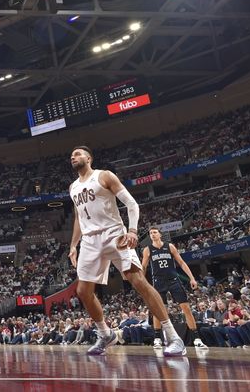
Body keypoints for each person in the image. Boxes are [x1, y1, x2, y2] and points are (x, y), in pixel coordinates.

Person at [67, 146, 186, 356]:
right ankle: (106, 334)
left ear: (88, 157)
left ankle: (173, 336)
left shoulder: (104, 176)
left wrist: (132, 231)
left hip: (114, 234)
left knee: (138, 280)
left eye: (78, 154)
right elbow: (79, 218)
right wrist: (73, 245)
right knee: (83, 292)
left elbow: (131, 203)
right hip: (89, 240)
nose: (73, 157)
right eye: (72, 155)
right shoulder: (73, 187)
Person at [141, 227, 207, 348]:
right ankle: (157, 338)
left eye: (155, 232)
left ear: (160, 234)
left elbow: (181, 262)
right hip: (158, 281)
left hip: (173, 280)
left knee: (186, 308)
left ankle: (196, 338)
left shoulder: (169, 246)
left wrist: (191, 278)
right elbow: (143, 267)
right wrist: (142, 282)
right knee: (158, 310)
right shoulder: (147, 249)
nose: (152, 234)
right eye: (150, 233)